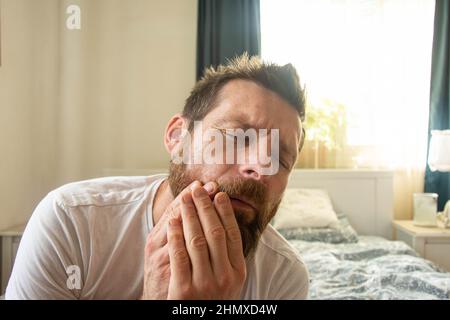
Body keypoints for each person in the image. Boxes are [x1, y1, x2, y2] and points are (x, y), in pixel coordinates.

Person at [5, 54, 309, 299]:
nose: (260, 167)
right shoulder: (71, 221)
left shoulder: (283, 277)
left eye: (281, 160)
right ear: (178, 138)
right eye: (238, 137)